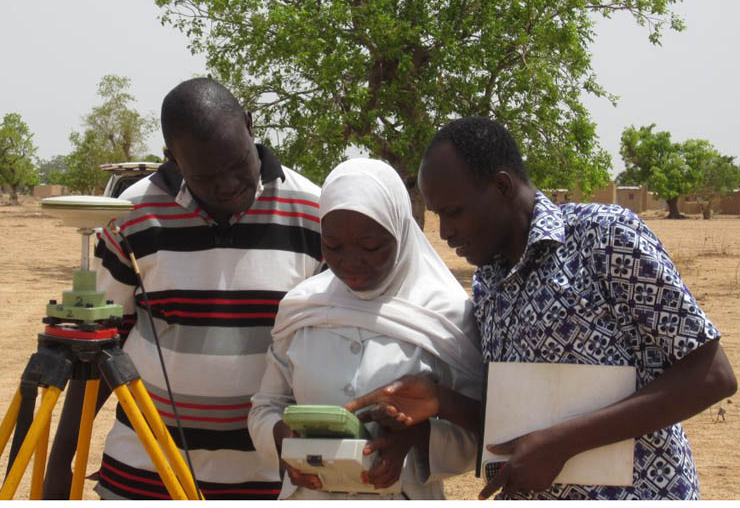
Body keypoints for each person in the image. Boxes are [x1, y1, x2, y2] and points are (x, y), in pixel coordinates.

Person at [346, 117, 737, 500]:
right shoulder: (488, 282)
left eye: (454, 212)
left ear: (501, 186)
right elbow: (516, 420)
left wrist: (564, 443)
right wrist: (440, 402)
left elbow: (712, 376)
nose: (445, 233)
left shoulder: (604, 238)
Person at [43, 78, 323, 499]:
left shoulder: (315, 213)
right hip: (145, 474)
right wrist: (61, 458)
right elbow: (101, 344)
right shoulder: (131, 216)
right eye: (207, 177)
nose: (227, 185)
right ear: (173, 159)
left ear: (250, 126)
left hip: (270, 479)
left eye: (236, 166)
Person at [247, 158, 483, 499]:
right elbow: (264, 406)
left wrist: (416, 440)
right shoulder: (303, 307)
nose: (350, 261)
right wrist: (284, 441)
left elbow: (480, 430)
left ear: (400, 233)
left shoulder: (446, 315)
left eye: (371, 247)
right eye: (333, 246)